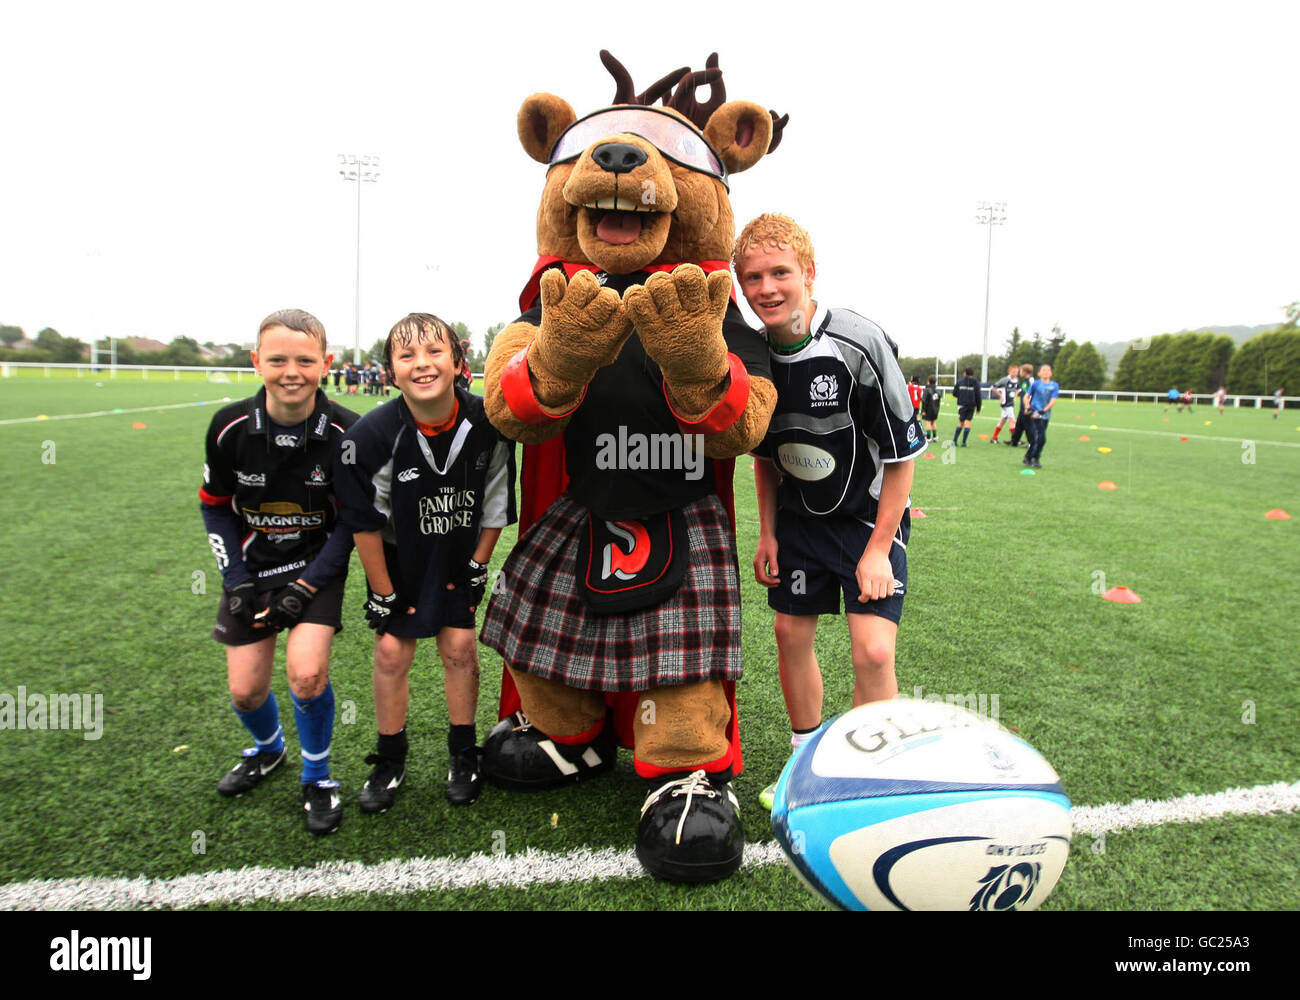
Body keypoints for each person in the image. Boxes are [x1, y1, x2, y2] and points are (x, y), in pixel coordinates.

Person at [734, 214, 926, 810]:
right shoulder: (753, 353)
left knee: (871, 650)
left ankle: (873, 775)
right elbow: (765, 456)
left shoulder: (857, 343)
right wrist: (767, 532)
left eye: (780, 273)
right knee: (790, 633)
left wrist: (877, 551)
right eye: (753, 277)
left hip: (867, 521)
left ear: (809, 274)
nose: (766, 288)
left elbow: (900, 458)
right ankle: (804, 765)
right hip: (797, 524)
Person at [335, 313, 516, 811]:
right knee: (393, 654)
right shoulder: (373, 434)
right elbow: (366, 521)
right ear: (391, 371)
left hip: (458, 554)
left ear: (459, 362)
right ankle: (391, 757)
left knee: (459, 647)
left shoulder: (489, 421)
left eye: (435, 352)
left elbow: (496, 500)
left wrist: (479, 563)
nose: (422, 364)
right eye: (407, 355)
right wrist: (381, 589)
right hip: (400, 559)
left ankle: (463, 752)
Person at [198, 308, 359, 835]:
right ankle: (268, 751)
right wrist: (236, 579)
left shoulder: (344, 432)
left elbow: (351, 524)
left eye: (305, 360)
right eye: (278, 359)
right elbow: (215, 506)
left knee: (307, 675)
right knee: (245, 691)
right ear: (256, 362)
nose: (292, 371)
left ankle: (317, 777)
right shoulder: (228, 428)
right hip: (252, 568)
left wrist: (309, 584)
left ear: (326, 363)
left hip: (318, 567)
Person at [1023, 363, 1059, 469]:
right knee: (1040, 438)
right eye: (1043, 370)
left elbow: (1053, 400)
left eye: (1048, 370)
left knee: (1039, 438)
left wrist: (1044, 411)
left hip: (1045, 414)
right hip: (1035, 413)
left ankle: (1029, 457)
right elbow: (1026, 397)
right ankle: (1035, 458)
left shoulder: (1054, 385)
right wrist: (1027, 407)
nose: (1045, 372)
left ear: (1051, 373)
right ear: (1039, 373)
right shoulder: (1035, 384)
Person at [990, 362, 1019, 443]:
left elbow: (1017, 389)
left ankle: (994, 437)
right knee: (1012, 420)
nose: (1015, 373)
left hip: (1011, 403)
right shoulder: (1005, 380)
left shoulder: (1016, 380)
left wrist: (1015, 397)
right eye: (1013, 372)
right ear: (1009, 372)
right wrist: (1001, 396)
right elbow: (993, 387)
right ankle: (1014, 439)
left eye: (1017, 372)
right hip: (1006, 403)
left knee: (1003, 420)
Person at [1007, 363, 1034, 447]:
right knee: (1019, 424)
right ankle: (1014, 441)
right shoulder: (1026, 381)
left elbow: (1030, 395)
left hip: (1027, 407)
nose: (1020, 372)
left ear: (1025, 371)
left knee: (1028, 426)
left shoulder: (1030, 381)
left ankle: (1032, 443)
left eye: (1021, 370)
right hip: (1023, 407)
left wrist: (1027, 406)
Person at [953, 367, 981, 446]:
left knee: (961, 422)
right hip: (971, 405)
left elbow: (954, 393)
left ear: (965, 373)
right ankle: (964, 442)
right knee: (968, 422)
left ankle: (955, 441)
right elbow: (978, 395)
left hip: (962, 405)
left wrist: (961, 396)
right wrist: (978, 408)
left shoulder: (960, 381)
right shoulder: (976, 382)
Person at [920, 375, 941, 440]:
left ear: (928, 381)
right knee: (933, 422)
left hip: (928, 409)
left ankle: (928, 437)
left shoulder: (926, 390)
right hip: (935, 409)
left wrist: (923, 410)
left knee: (928, 422)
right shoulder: (937, 391)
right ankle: (935, 437)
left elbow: (924, 401)